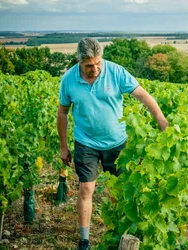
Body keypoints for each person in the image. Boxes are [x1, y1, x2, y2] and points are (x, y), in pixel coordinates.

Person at [57, 38, 168, 250]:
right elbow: (62, 112)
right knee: (86, 188)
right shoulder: (69, 79)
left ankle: (121, 232)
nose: (95, 69)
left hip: (117, 142)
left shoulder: (116, 72)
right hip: (85, 142)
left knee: (119, 190)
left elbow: (143, 95)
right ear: (78, 60)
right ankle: (84, 240)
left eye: (98, 63)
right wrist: (63, 146)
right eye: (89, 65)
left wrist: (162, 121)